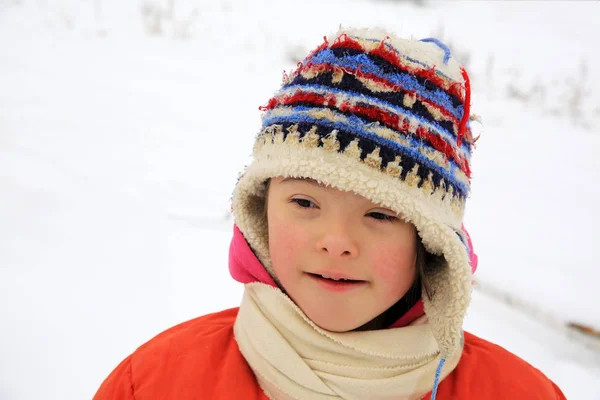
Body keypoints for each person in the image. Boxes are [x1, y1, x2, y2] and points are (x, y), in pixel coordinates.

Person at [93, 27, 566, 400]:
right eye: (304, 203)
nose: (337, 241)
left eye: (381, 214)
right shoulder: (156, 383)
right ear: (261, 214)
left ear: (431, 241)